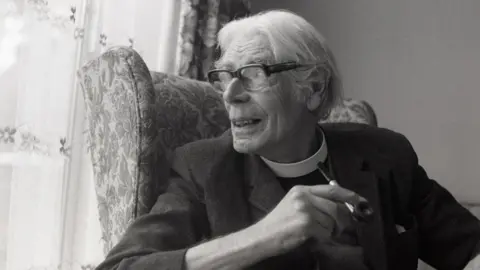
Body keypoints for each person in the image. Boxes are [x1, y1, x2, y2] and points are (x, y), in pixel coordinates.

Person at [95, 10, 480, 270]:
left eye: (253, 74)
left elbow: (470, 247)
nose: (230, 95)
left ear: (312, 89)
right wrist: (260, 238)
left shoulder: (386, 154)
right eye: (226, 77)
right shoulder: (201, 169)